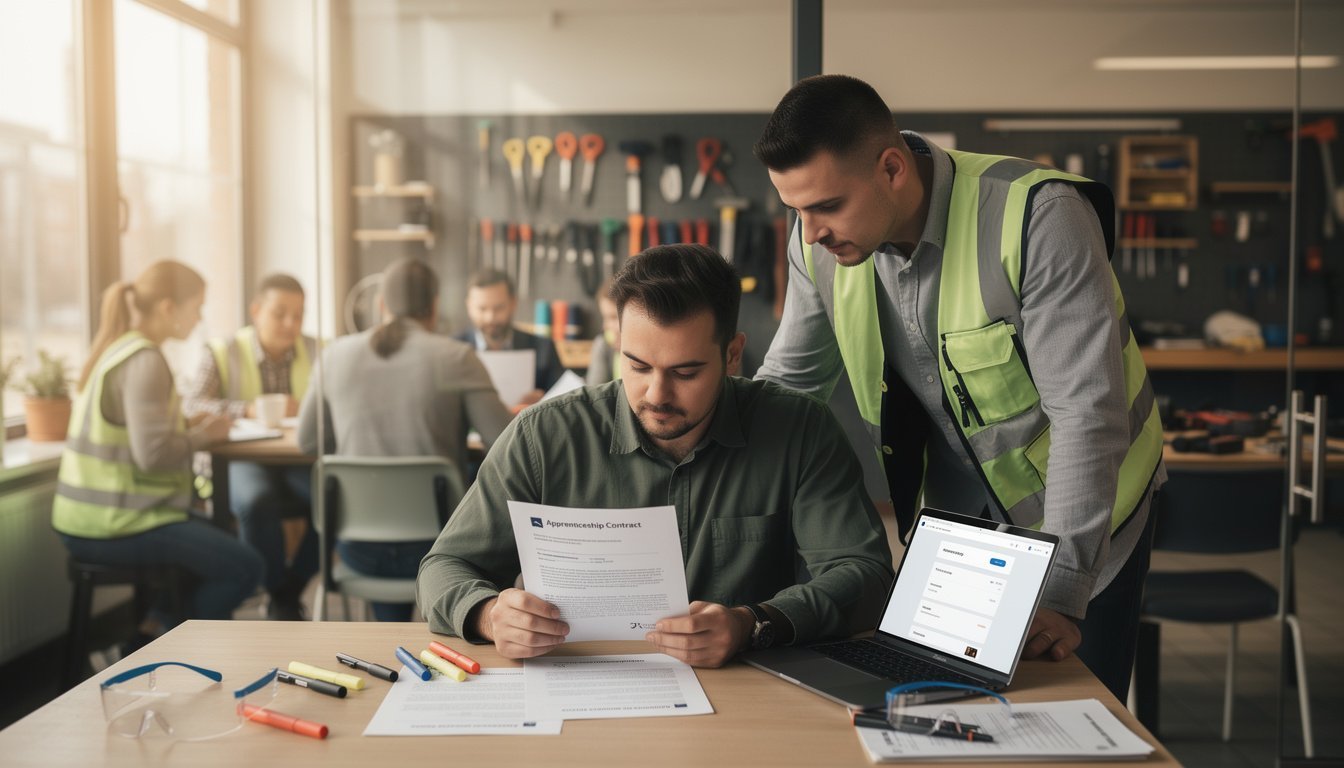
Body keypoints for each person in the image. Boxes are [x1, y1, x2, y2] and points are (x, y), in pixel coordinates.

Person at [753, 74, 1165, 700]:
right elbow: (787, 387)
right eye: (796, 209)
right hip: (953, 524)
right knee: (937, 706)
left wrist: (1059, 592)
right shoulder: (819, 250)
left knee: (1069, 710)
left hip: (1084, 514)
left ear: (891, 168)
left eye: (827, 206)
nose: (809, 232)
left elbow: (1086, 414)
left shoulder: (1038, 216)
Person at [418, 244, 894, 668]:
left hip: (744, 697)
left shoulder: (799, 430)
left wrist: (755, 623)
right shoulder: (544, 436)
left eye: (685, 372)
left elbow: (866, 576)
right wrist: (487, 614)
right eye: (638, 366)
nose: (656, 394)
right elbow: (443, 568)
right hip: (581, 691)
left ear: (732, 355)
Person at [53, 260, 265, 645]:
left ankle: (151, 635)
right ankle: (165, 649)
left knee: (218, 535)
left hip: (94, 518)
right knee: (245, 567)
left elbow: (136, 436)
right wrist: (204, 434)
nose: (199, 317)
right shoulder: (146, 360)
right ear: (169, 308)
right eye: (196, 307)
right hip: (114, 524)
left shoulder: (119, 348)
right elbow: (152, 455)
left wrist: (185, 426)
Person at [297, 258, 513, 621]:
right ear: (434, 307)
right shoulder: (456, 357)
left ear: (381, 305)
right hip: (444, 549)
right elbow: (504, 444)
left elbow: (307, 441)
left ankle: (391, 637)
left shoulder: (333, 356)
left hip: (359, 550)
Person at [183, 273, 317, 620]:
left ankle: (289, 589)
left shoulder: (320, 351)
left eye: (299, 315)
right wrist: (246, 409)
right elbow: (192, 405)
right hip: (241, 460)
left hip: (300, 457)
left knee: (337, 498)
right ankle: (277, 592)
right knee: (255, 501)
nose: (291, 324)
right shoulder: (222, 351)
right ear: (256, 310)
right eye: (280, 313)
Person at [456, 269, 562, 406]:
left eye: (499, 308)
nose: (490, 317)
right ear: (469, 306)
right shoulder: (454, 350)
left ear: (513, 304)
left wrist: (544, 402)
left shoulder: (543, 347)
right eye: (482, 309)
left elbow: (564, 399)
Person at [584, 278, 620, 386]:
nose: (605, 326)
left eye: (613, 317)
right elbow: (594, 390)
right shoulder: (604, 344)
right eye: (605, 317)